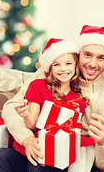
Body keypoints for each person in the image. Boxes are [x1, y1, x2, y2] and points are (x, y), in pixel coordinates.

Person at [0, 25, 104, 172]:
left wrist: (102, 142)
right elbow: (11, 109)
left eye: (100, 58)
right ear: (78, 55)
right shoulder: (49, 75)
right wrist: (27, 139)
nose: (93, 64)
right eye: (87, 55)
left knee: (39, 165)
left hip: (70, 158)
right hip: (35, 145)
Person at [14, 38, 89, 172]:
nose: (63, 69)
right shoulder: (37, 86)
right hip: (32, 146)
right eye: (56, 65)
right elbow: (32, 125)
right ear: (50, 67)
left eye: (68, 63)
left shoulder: (79, 100)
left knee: (37, 166)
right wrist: (25, 115)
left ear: (75, 66)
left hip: (56, 155)